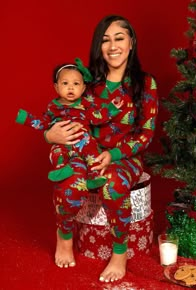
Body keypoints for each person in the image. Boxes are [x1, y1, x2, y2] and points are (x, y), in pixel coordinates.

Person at [45, 15, 159, 282]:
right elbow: (61, 112)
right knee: (72, 181)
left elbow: (146, 133)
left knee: (112, 182)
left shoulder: (145, 83)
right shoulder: (86, 81)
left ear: (131, 42)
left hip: (124, 156)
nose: (112, 46)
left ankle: (119, 252)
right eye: (105, 40)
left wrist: (114, 155)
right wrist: (50, 136)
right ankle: (64, 235)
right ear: (99, 46)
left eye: (119, 38)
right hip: (80, 150)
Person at [16, 58, 124, 190]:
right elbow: (44, 123)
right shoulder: (53, 107)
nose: (71, 87)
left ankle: (94, 177)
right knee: (56, 152)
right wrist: (26, 118)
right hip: (63, 143)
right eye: (65, 83)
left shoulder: (85, 105)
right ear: (56, 87)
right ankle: (61, 169)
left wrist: (112, 108)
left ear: (83, 88)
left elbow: (97, 118)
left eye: (76, 84)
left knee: (93, 152)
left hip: (83, 141)